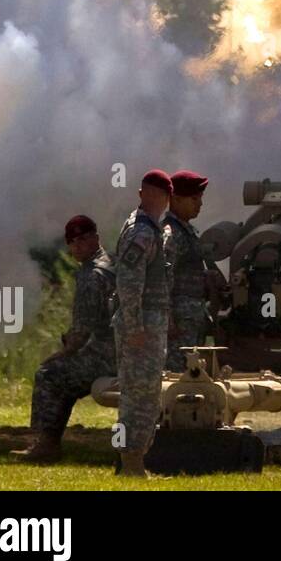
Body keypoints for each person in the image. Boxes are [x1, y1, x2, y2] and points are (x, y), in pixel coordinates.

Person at [12, 215, 116, 463]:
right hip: (122, 350)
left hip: (107, 356)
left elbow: (82, 332)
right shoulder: (111, 265)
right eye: (73, 241)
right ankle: (48, 443)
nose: (78, 245)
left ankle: (45, 444)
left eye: (84, 238)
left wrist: (64, 352)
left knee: (49, 374)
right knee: (65, 378)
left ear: (96, 238)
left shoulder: (92, 275)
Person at [113, 169, 172, 478]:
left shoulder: (147, 228)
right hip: (141, 327)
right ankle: (131, 464)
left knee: (137, 394)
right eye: (155, 195)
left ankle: (130, 464)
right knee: (141, 396)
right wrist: (135, 327)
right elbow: (128, 283)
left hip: (146, 324)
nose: (159, 202)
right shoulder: (143, 232)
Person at [163, 170, 226, 371]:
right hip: (180, 320)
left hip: (192, 316)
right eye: (194, 199)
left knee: (193, 373)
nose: (200, 204)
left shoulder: (186, 231)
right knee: (177, 373)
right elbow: (162, 277)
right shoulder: (170, 234)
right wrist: (167, 317)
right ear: (176, 199)